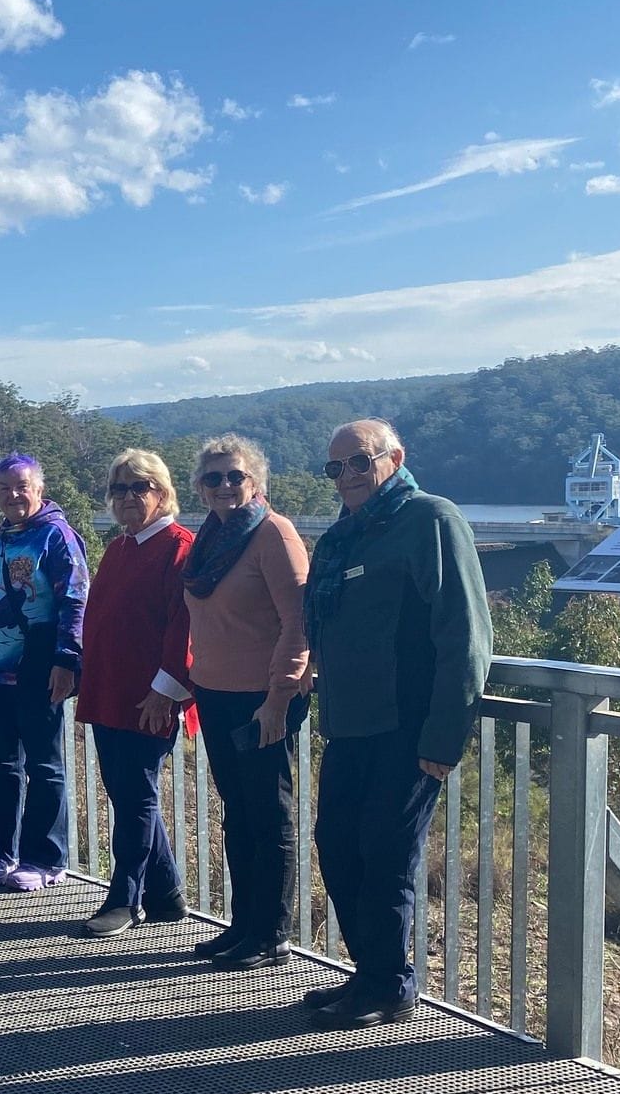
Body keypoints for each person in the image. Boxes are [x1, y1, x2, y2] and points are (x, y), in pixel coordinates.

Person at [305, 418, 490, 1029]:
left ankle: (387, 985)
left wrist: (444, 734)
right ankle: (371, 973)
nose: (347, 477)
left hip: (407, 726)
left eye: (359, 462)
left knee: (385, 856)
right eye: (336, 468)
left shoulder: (431, 520)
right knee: (337, 845)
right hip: (350, 723)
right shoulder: (345, 536)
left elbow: (464, 634)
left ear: (394, 457)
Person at [181, 435, 311, 970]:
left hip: (263, 697)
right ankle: (244, 925)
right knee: (239, 814)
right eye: (213, 478)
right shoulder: (211, 540)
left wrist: (279, 697)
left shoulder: (273, 534)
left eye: (235, 476)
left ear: (255, 481)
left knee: (268, 814)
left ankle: (272, 932)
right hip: (215, 694)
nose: (225, 486)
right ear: (201, 488)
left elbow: (300, 623)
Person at [76, 450, 196, 937]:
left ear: (162, 493)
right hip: (109, 689)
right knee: (128, 793)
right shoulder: (122, 546)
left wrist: (166, 691)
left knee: (137, 795)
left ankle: (125, 898)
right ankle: (165, 895)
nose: (128, 497)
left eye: (140, 487)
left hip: (151, 697)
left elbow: (184, 624)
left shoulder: (178, 546)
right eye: (120, 488)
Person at [0, 455, 87, 891]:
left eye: (21, 487)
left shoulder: (55, 537)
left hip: (38, 666)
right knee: (2, 763)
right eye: (4, 489)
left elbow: (75, 599)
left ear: (38, 488)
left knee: (44, 764)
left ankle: (45, 859)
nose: (13, 496)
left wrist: (67, 660)